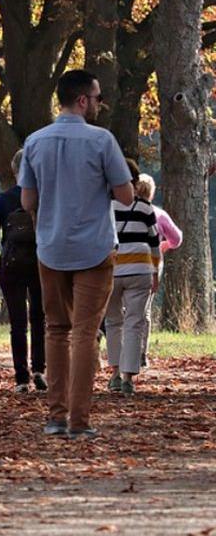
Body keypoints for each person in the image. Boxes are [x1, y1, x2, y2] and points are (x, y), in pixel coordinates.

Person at [20, 69, 134, 439]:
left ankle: (55, 416)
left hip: (50, 247)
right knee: (85, 332)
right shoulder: (102, 141)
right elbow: (126, 196)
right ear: (83, 100)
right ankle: (79, 421)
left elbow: (27, 200)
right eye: (98, 98)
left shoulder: (35, 142)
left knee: (56, 329)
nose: (100, 104)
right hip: (95, 247)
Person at [0, 149, 46, 393]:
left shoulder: (3, 200)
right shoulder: (42, 197)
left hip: (11, 264)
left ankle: (21, 378)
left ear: (14, 170)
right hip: (39, 262)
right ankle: (39, 368)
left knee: (18, 322)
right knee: (40, 317)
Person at [104, 160, 160, 396]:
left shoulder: (105, 207)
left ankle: (115, 374)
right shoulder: (146, 209)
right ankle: (129, 378)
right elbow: (155, 244)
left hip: (111, 271)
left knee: (113, 322)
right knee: (134, 323)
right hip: (140, 269)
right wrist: (155, 271)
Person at [137, 174, 182, 369]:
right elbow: (177, 238)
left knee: (124, 309)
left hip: (124, 264)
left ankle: (124, 353)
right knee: (145, 310)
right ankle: (141, 354)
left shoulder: (123, 211)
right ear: (152, 193)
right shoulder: (159, 214)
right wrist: (166, 244)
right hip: (153, 264)